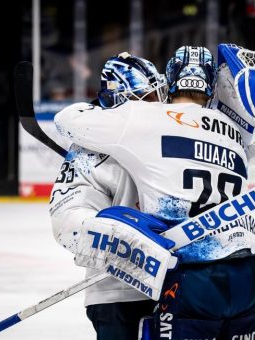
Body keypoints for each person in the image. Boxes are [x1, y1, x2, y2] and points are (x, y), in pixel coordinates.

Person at [54, 44, 255, 339]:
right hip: (130, 289)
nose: (151, 104)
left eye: (155, 96)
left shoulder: (144, 120)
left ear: (168, 85)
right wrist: (121, 241)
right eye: (142, 99)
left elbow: (67, 119)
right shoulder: (232, 131)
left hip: (178, 278)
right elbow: (68, 219)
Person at [49, 52, 168, 339]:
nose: (159, 106)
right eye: (148, 98)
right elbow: (67, 221)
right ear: (120, 102)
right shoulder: (88, 153)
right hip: (118, 292)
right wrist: (129, 244)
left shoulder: (171, 135)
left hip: (175, 287)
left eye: (161, 94)